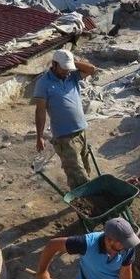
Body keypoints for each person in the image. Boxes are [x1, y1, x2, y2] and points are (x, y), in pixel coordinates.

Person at [33, 49, 97, 190]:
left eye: (69, 68)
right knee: (77, 175)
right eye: (64, 68)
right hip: (64, 137)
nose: (67, 71)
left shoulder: (72, 76)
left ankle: (87, 197)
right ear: (54, 65)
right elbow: (40, 111)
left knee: (85, 168)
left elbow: (92, 69)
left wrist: (71, 62)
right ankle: (87, 202)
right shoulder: (43, 84)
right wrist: (39, 137)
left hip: (81, 131)